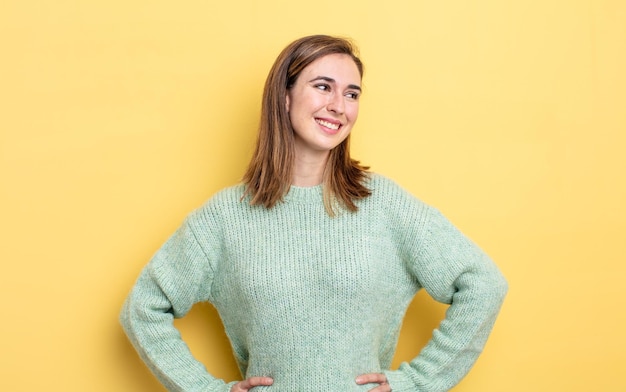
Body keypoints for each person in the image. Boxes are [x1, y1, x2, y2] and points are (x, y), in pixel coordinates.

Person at [120, 34, 508, 392]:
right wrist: (206, 390)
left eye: (352, 93)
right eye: (323, 86)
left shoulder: (386, 206)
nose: (339, 106)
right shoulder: (224, 219)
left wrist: (419, 381)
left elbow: (483, 284)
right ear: (284, 96)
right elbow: (143, 308)